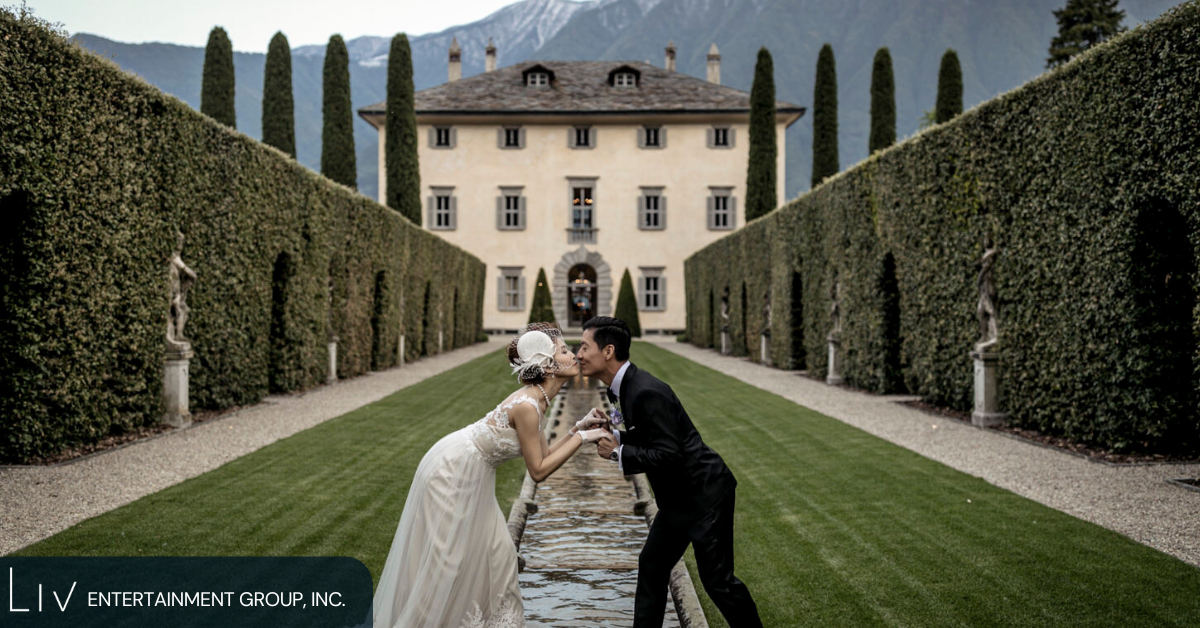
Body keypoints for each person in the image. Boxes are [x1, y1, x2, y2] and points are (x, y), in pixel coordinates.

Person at [372, 323, 610, 628]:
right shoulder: (527, 405)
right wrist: (584, 440)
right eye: (564, 351)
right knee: (446, 563)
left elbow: (546, 455)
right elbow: (538, 471)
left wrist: (579, 428)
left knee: (499, 557)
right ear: (548, 365)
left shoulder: (539, 400)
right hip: (451, 471)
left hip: (473, 473)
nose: (574, 354)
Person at [575, 316, 762, 628]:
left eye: (584, 347)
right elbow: (649, 435)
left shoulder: (646, 390)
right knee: (652, 565)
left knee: (718, 582)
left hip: (704, 495)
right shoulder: (621, 387)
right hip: (678, 500)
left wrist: (618, 452)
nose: (578, 354)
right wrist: (616, 434)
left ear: (608, 351)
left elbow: (669, 453)